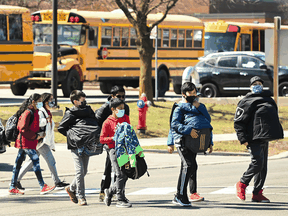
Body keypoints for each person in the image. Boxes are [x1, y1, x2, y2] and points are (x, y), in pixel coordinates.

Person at [234, 76, 283, 203]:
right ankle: (242, 183)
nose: (257, 85)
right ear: (250, 87)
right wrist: (242, 138)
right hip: (252, 137)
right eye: (255, 83)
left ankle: (257, 193)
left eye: (260, 83)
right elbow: (238, 122)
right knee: (257, 162)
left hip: (264, 136)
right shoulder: (246, 101)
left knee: (263, 167)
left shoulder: (268, 99)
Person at [167, 82, 213, 207]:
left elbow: (207, 123)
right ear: (183, 94)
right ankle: (181, 195)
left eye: (194, 93)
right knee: (188, 165)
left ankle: (179, 195)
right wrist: (188, 131)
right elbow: (174, 125)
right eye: (190, 93)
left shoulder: (199, 107)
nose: (193, 95)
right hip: (181, 141)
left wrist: (210, 142)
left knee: (189, 167)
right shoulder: (179, 108)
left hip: (193, 142)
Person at [16, 93, 69, 190]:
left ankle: (16, 180)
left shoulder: (46, 111)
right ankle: (57, 182)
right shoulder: (40, 112)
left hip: (41, 141)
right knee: (51, 161)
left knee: (31, 162)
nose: (53, 102)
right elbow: (36, 124)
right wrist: (45, 121)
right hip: (40, 141)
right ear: (45, 101)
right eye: (51, 100)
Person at [58, 90, 100, 206]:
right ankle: (81, 196)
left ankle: (71, 188)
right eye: (82, 101)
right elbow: (61, 128)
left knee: (84, 171)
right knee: (80, 171)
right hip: (76, 145)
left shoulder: (88, 110)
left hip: (87, 143)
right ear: (75, 101)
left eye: (85, 100)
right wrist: (72, 136)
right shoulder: (70, 113)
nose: (85, 102)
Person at [9, 93, 55, 195]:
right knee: (35, 161)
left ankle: (12, 186)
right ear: (33, 102)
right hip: (26, 141)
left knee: (18, 163)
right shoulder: (28, 112)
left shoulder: (35, 111)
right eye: (39, 101)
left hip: (28, 141)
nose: (40, 103)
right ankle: (42, 186)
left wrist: (38, 135)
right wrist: (35, 136)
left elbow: (33, 126)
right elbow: (22, 128)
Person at [95, 85, 129, 202]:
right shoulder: (105, 108)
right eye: (119, 96)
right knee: (110, 167)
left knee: (123, 170)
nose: (122, 98)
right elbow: (97, 124)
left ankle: (117, 191)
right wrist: (109, 136)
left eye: (123, 96)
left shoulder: (125, 108)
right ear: (112, 96)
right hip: (110, 143)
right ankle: (104, 190)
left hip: (121, 144)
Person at [101, 98, 132, 208]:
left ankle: (110, 191)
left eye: (123, 108)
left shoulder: (125, 118)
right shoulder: (107, 123)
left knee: (126, 174)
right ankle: (120, 198)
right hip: (113, 150)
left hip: (124, 149)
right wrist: (113, 138)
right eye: (120, 109)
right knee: (119, 174)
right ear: (113, 109)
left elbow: (129, 132)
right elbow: (102, 139)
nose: (122, 111)